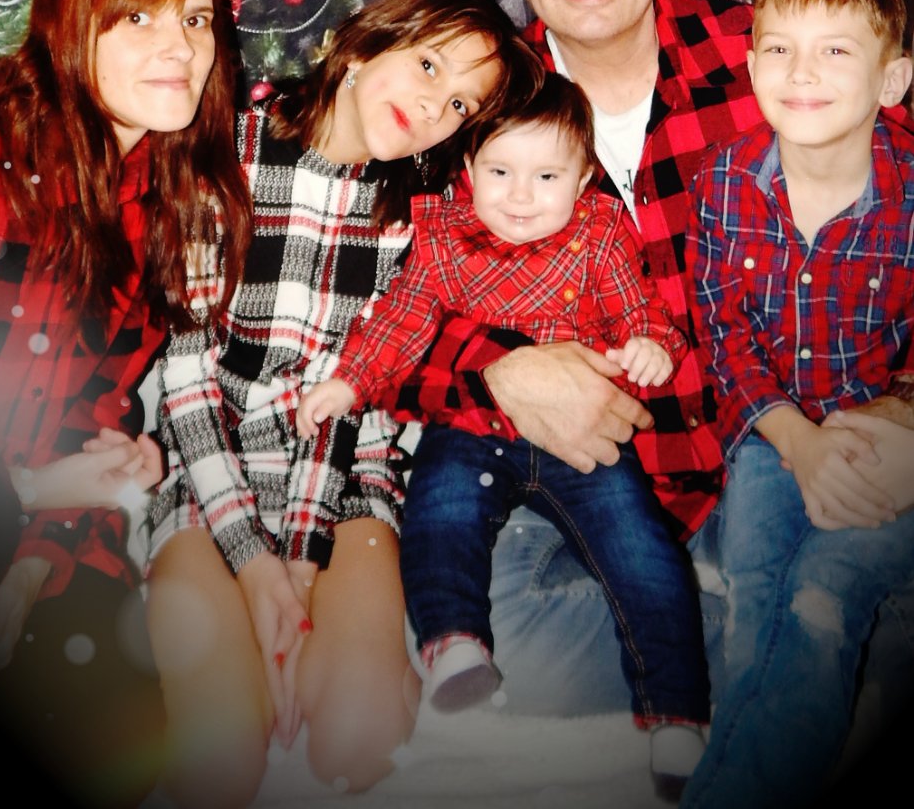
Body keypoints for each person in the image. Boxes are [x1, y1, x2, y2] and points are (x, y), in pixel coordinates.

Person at [388, 0, 913, 760]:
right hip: (592, 494)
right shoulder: (478, 104)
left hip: (781, 454)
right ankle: (795, 651)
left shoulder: (767, 57)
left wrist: (904, 409)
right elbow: (394, 306)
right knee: (486, 631)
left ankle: (778, 638)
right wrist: (501, 370)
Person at [143, 0, 537, 809]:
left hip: (345, 476)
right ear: (366, 43)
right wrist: (254, 564)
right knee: (220, 769)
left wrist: (302, 558)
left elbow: (353, 399)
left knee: (355, 748)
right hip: (211, 464)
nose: (434, 108)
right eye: (429, 66)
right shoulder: (228, 152)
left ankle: (365, 662)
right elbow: (185, 380)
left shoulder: (417, 216)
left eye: (460, 105)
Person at [300, 71, 710, 800]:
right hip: (473, 427)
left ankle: (676, 709)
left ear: (583, 178)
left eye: (546, 176)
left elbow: (638, 311)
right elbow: (401, 319)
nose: (520, 196)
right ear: (468, 167)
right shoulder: (445, 235)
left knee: (639, 545)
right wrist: (350, 380)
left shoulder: (599, 234)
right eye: (499, 172)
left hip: (579, 439)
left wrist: (651, 344)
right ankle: (454, 641)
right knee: (439, 512)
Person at [0, 0, 252, 809]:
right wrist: (20, 498)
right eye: (139, 17)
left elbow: (91, 414)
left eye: (197, 19)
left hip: (27, 531)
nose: (181, 47)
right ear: (72, 25)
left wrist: (31, 565)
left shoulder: (152, 208)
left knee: (117, 741)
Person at [678, 0, 914, 809]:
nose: (801, 72)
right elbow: (724, 338)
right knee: (756, 610)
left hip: (886, 444)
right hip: (770, 436)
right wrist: (797, 444)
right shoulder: (724, 183)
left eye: (835, 50)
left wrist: (898, 423)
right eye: (778, 48)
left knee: (822, 600)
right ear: (750, 67)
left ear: (893, 80)